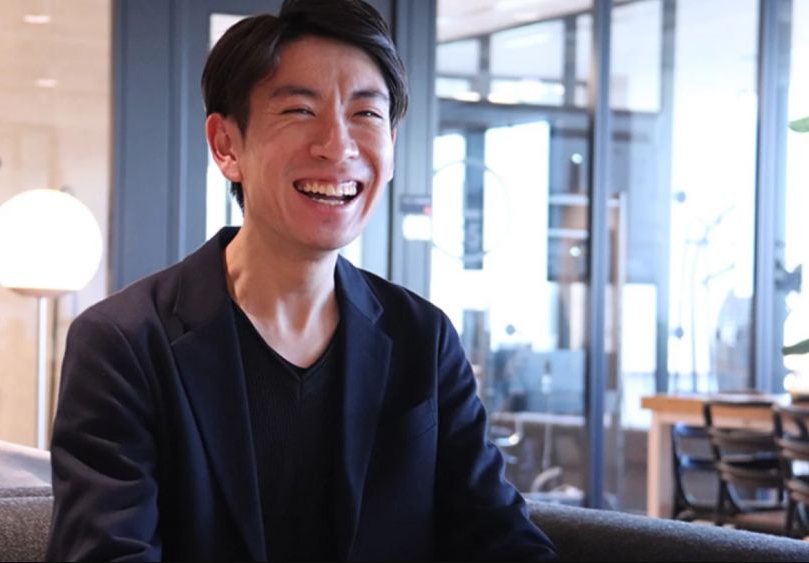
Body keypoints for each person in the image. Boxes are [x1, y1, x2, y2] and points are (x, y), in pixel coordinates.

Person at [47, 0, 557, 560]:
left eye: (366, 114)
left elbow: (499, 536)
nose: (338, 146)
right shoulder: (124, 345)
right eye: (299, 110)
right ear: (226, 146)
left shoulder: (423, 338)